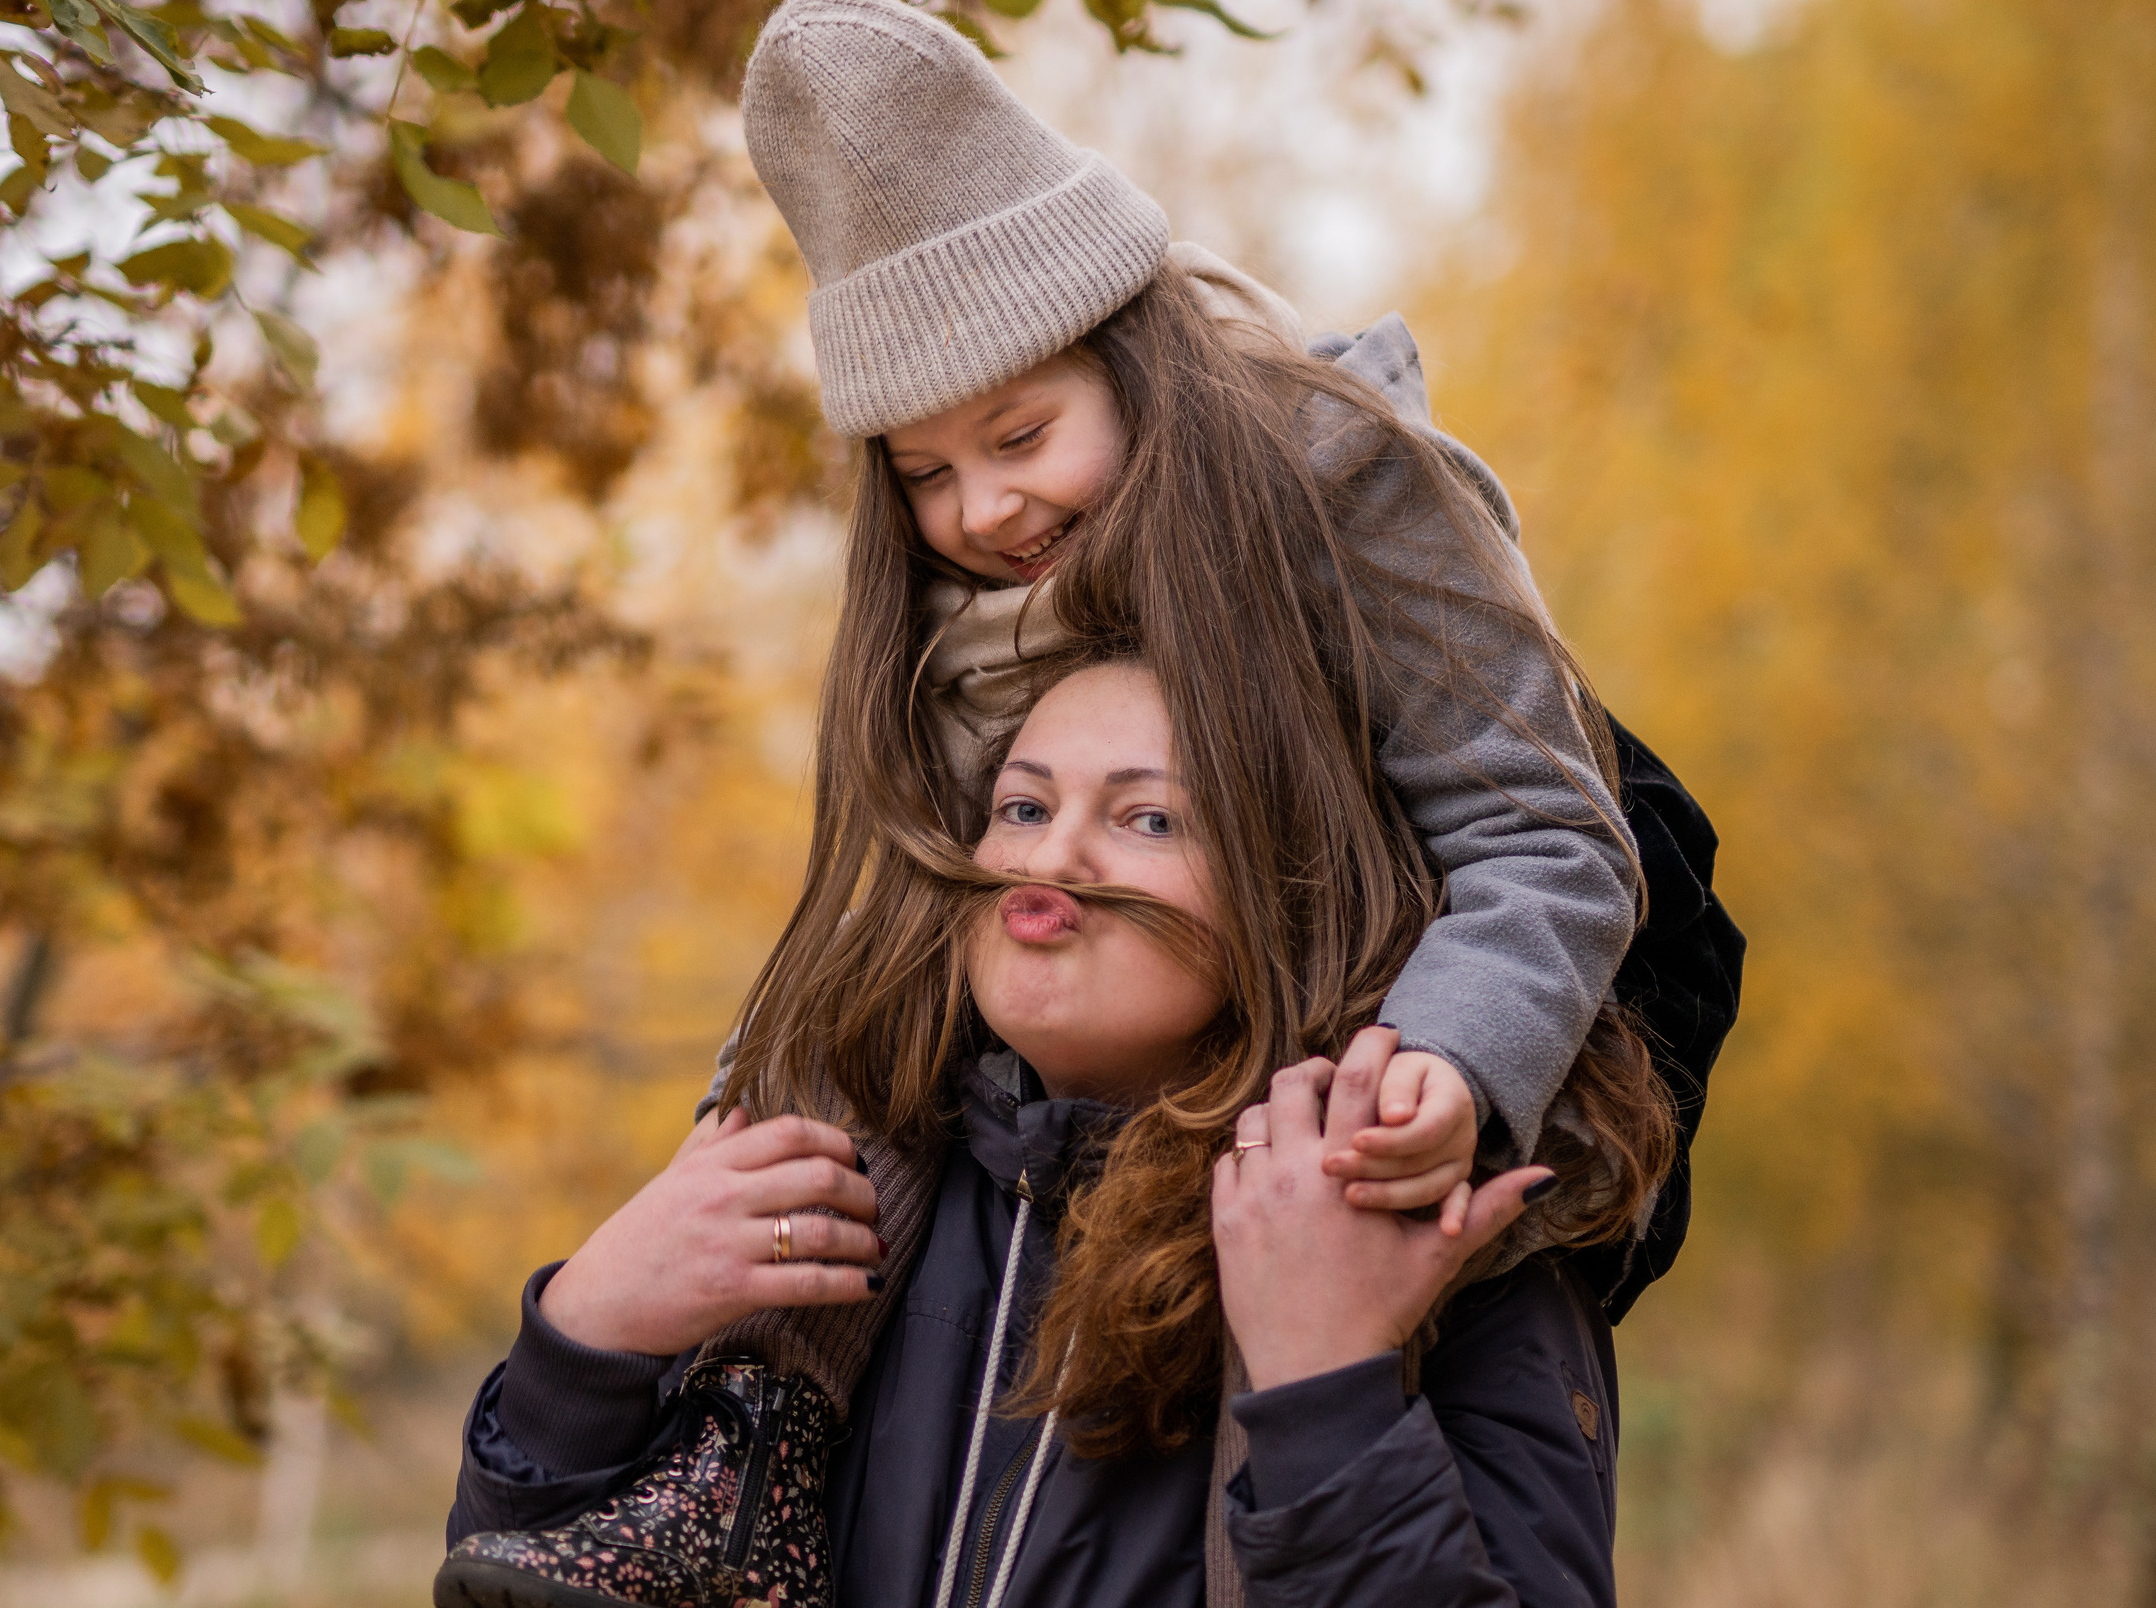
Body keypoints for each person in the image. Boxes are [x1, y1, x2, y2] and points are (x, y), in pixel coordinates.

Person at [443, 0, 1735, 1608]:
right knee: (852, 991)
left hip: (1357, 1033)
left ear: (1130, 352)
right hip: (989, 1153)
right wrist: (621, 1292)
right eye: (921, 471)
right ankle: (742, 1457)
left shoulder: (1344, 487)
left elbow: (1539, 823)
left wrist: (1452, 1074)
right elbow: (893, 891)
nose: (979, 506)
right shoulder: (934, 1195)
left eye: (1020, 433)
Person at [438, 658, 1675, 1608]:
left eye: (1151, 820)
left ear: (1299, 894)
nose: (1053, 858)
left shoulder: (1432, 1249)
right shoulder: (838, 1209)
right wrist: (583, 1339)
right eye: (1022, 807)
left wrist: (1327, 1387)